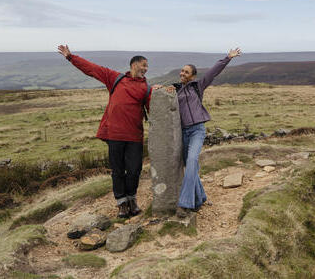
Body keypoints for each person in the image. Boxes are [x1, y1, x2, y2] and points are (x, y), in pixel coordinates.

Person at [57, 44, 151, 218]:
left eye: (147, 66)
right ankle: (122, 203)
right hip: (114, 134)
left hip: (134, 136)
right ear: (133, 65)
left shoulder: (146, 88)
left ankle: (132, 199)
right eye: (143, 65)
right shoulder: (115, 78)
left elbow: (155, 109)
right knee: (117, 170)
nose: (145, 69)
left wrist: (165, 92)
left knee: (134, 170)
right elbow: (92, 69)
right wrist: (71, 57)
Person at [155, 48, 242, 217]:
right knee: (190, 166)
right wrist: (158, 89)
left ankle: (185, 203)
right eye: (182, 71)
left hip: (197, 130)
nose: (182, 73)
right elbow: (162, 95)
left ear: (192, 76)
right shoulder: (175, 89)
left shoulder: (198, 86)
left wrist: (228, 58)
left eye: (186, 72)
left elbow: (213, 72)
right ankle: (200, 197)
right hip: (183, 132)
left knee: (193, 160)